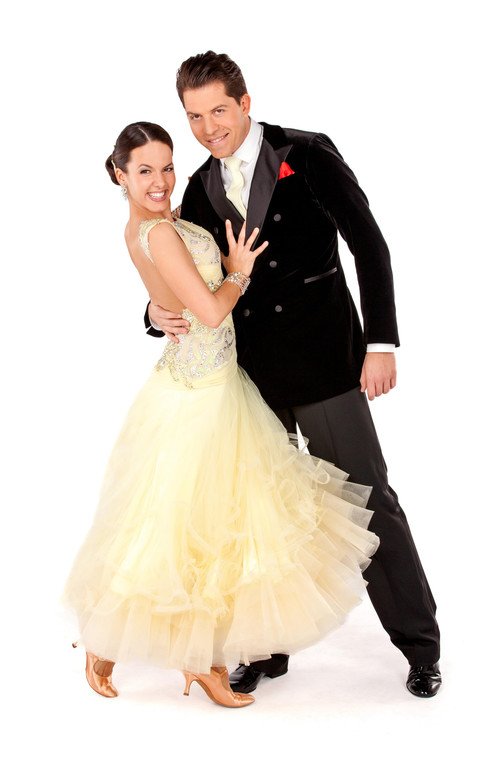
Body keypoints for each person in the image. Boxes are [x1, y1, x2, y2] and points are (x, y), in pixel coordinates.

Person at [146, 51, 442, 698]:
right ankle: (266, 648)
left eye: (218, 111)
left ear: (245, 103)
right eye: (193, 116)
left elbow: (369, 243)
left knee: (367, 499)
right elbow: (187, 273)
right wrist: (151, 312)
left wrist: (381, 342)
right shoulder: (198, 185)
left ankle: (421, 646)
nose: (207, 128)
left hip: (326, 360)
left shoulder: (305, 152)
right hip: (252, 377)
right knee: (261, 515)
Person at [64, 121, 380, 708]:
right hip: (202, 393)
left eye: (166, 166)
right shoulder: (158, 230)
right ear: (119, 175)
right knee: (196, 526)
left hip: (211, 379)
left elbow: (171, 289)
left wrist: (157, 309)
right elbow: (209, 312)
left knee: (196, 525)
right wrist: (237, 271)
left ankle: (164, 650)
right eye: (144, 170)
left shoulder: (161, 218)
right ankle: (185, 657)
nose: (160, 181)